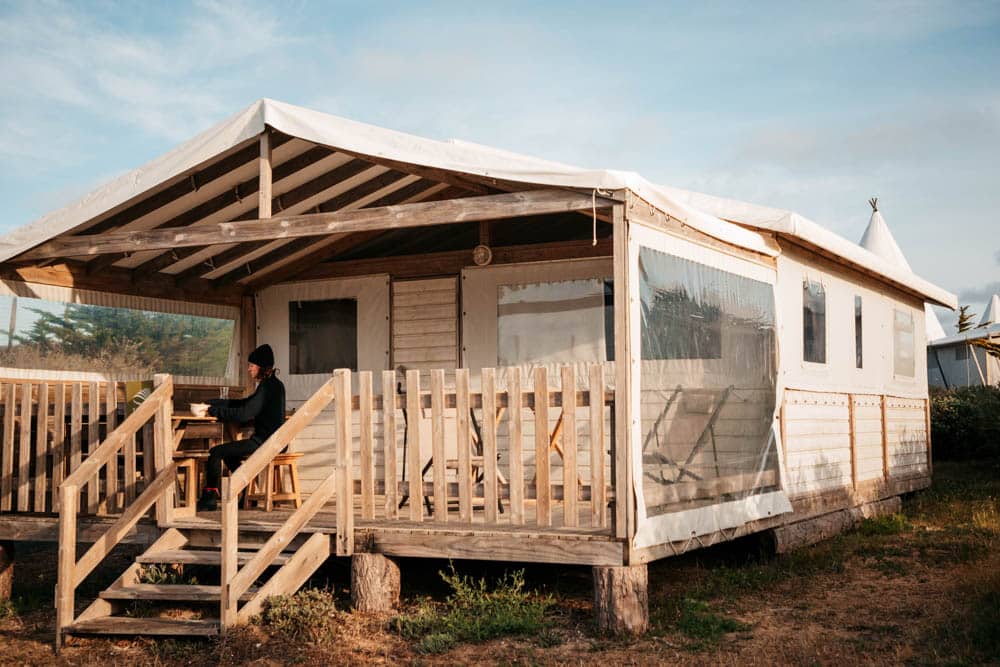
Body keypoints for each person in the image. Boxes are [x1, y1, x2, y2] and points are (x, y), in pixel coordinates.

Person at [197, 343, 286, 511]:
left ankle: (209, 498)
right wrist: (217, 403)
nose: (249, 369)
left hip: (265, 442)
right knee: (228, 453)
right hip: (271, 441)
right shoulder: (273, 385)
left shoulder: (268, 387)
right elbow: (246, 403)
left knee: (216, 452)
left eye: (251, 366)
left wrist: (214, 411)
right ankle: (246, 490)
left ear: (261, 366)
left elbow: (244, 414)